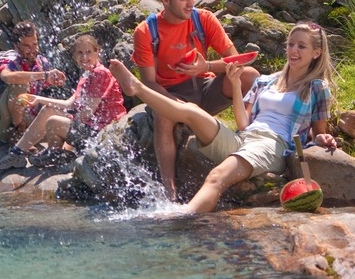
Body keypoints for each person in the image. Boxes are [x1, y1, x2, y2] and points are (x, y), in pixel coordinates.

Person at [109, 22, 337, 214]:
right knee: (190, 110)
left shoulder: (316, 88)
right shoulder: (266, 81)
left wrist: (323, 139)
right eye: (290, 44)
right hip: (244, 138)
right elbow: (243, 124)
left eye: (301, 46)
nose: (293, 50)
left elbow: (318, 133)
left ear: (316, 53)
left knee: (217, 176)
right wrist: (236, 86)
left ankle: (180, 217)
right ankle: (137, 88)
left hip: (272, 145)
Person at [131, 0, 259, 201]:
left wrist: (206, 66)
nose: (190, 4)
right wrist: (174, 104)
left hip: (205, 85)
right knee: (163, 115)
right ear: (165, 1)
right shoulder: (146, 31)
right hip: (170, 92)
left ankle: (252, 134)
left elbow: (237, 62)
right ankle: (169, 190)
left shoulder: (204, 19)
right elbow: (148, 82)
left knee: (250, 76)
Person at [0, 34, 126, 170]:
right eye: (79, 53)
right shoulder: (87, 76)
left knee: (53, 121)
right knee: (47, 110)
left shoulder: (100, 73)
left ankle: (53, 154)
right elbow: (69, 104)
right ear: (74, 56)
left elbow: (85, 114)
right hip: (92, 129)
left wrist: (64, 119)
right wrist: (39, 100)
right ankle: (40, 154)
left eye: (88, 52)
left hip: (102, 133)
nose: (84, 57)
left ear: (97, 52)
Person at [0, 21, 68, 147]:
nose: (32, 50)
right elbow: (7, 77)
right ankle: (17, 133)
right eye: (27, 46)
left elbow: (48, 89)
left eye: (35, 44)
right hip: (4, 123)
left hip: (27, 117)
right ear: (16, 46)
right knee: (21, 84)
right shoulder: (8, 61)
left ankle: (26, 139)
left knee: (59, 128)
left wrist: (56, 81)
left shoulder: (42, 63)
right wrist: (43, 75)